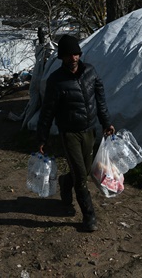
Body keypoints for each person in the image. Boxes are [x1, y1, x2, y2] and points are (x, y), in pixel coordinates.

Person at [37, 34, 115, 232]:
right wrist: (41, 137)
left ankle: (65, 181)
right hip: (69, 132)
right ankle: (89, 216)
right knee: (81, 176)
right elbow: (47, 112)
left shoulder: (91, 72)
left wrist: (106, 123)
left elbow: (100, 100)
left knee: (85, 171)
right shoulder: (56, 81)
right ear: (62, 57)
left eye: (76, 54)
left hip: (89, 129)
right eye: (69, 55)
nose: (73, 58)